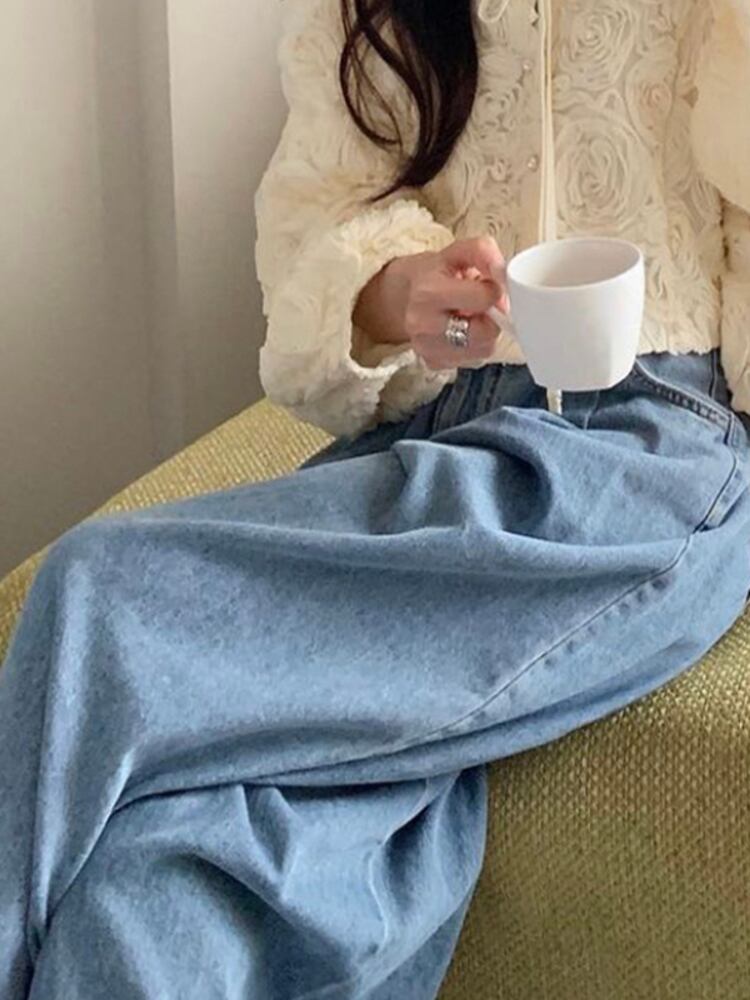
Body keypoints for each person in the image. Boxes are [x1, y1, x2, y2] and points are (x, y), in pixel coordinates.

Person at [2, 1, 750, 997]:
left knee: (98, 593)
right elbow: (321, 218)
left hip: (645, 451)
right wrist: (402, 293)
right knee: (156, 888)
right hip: (427, 428)